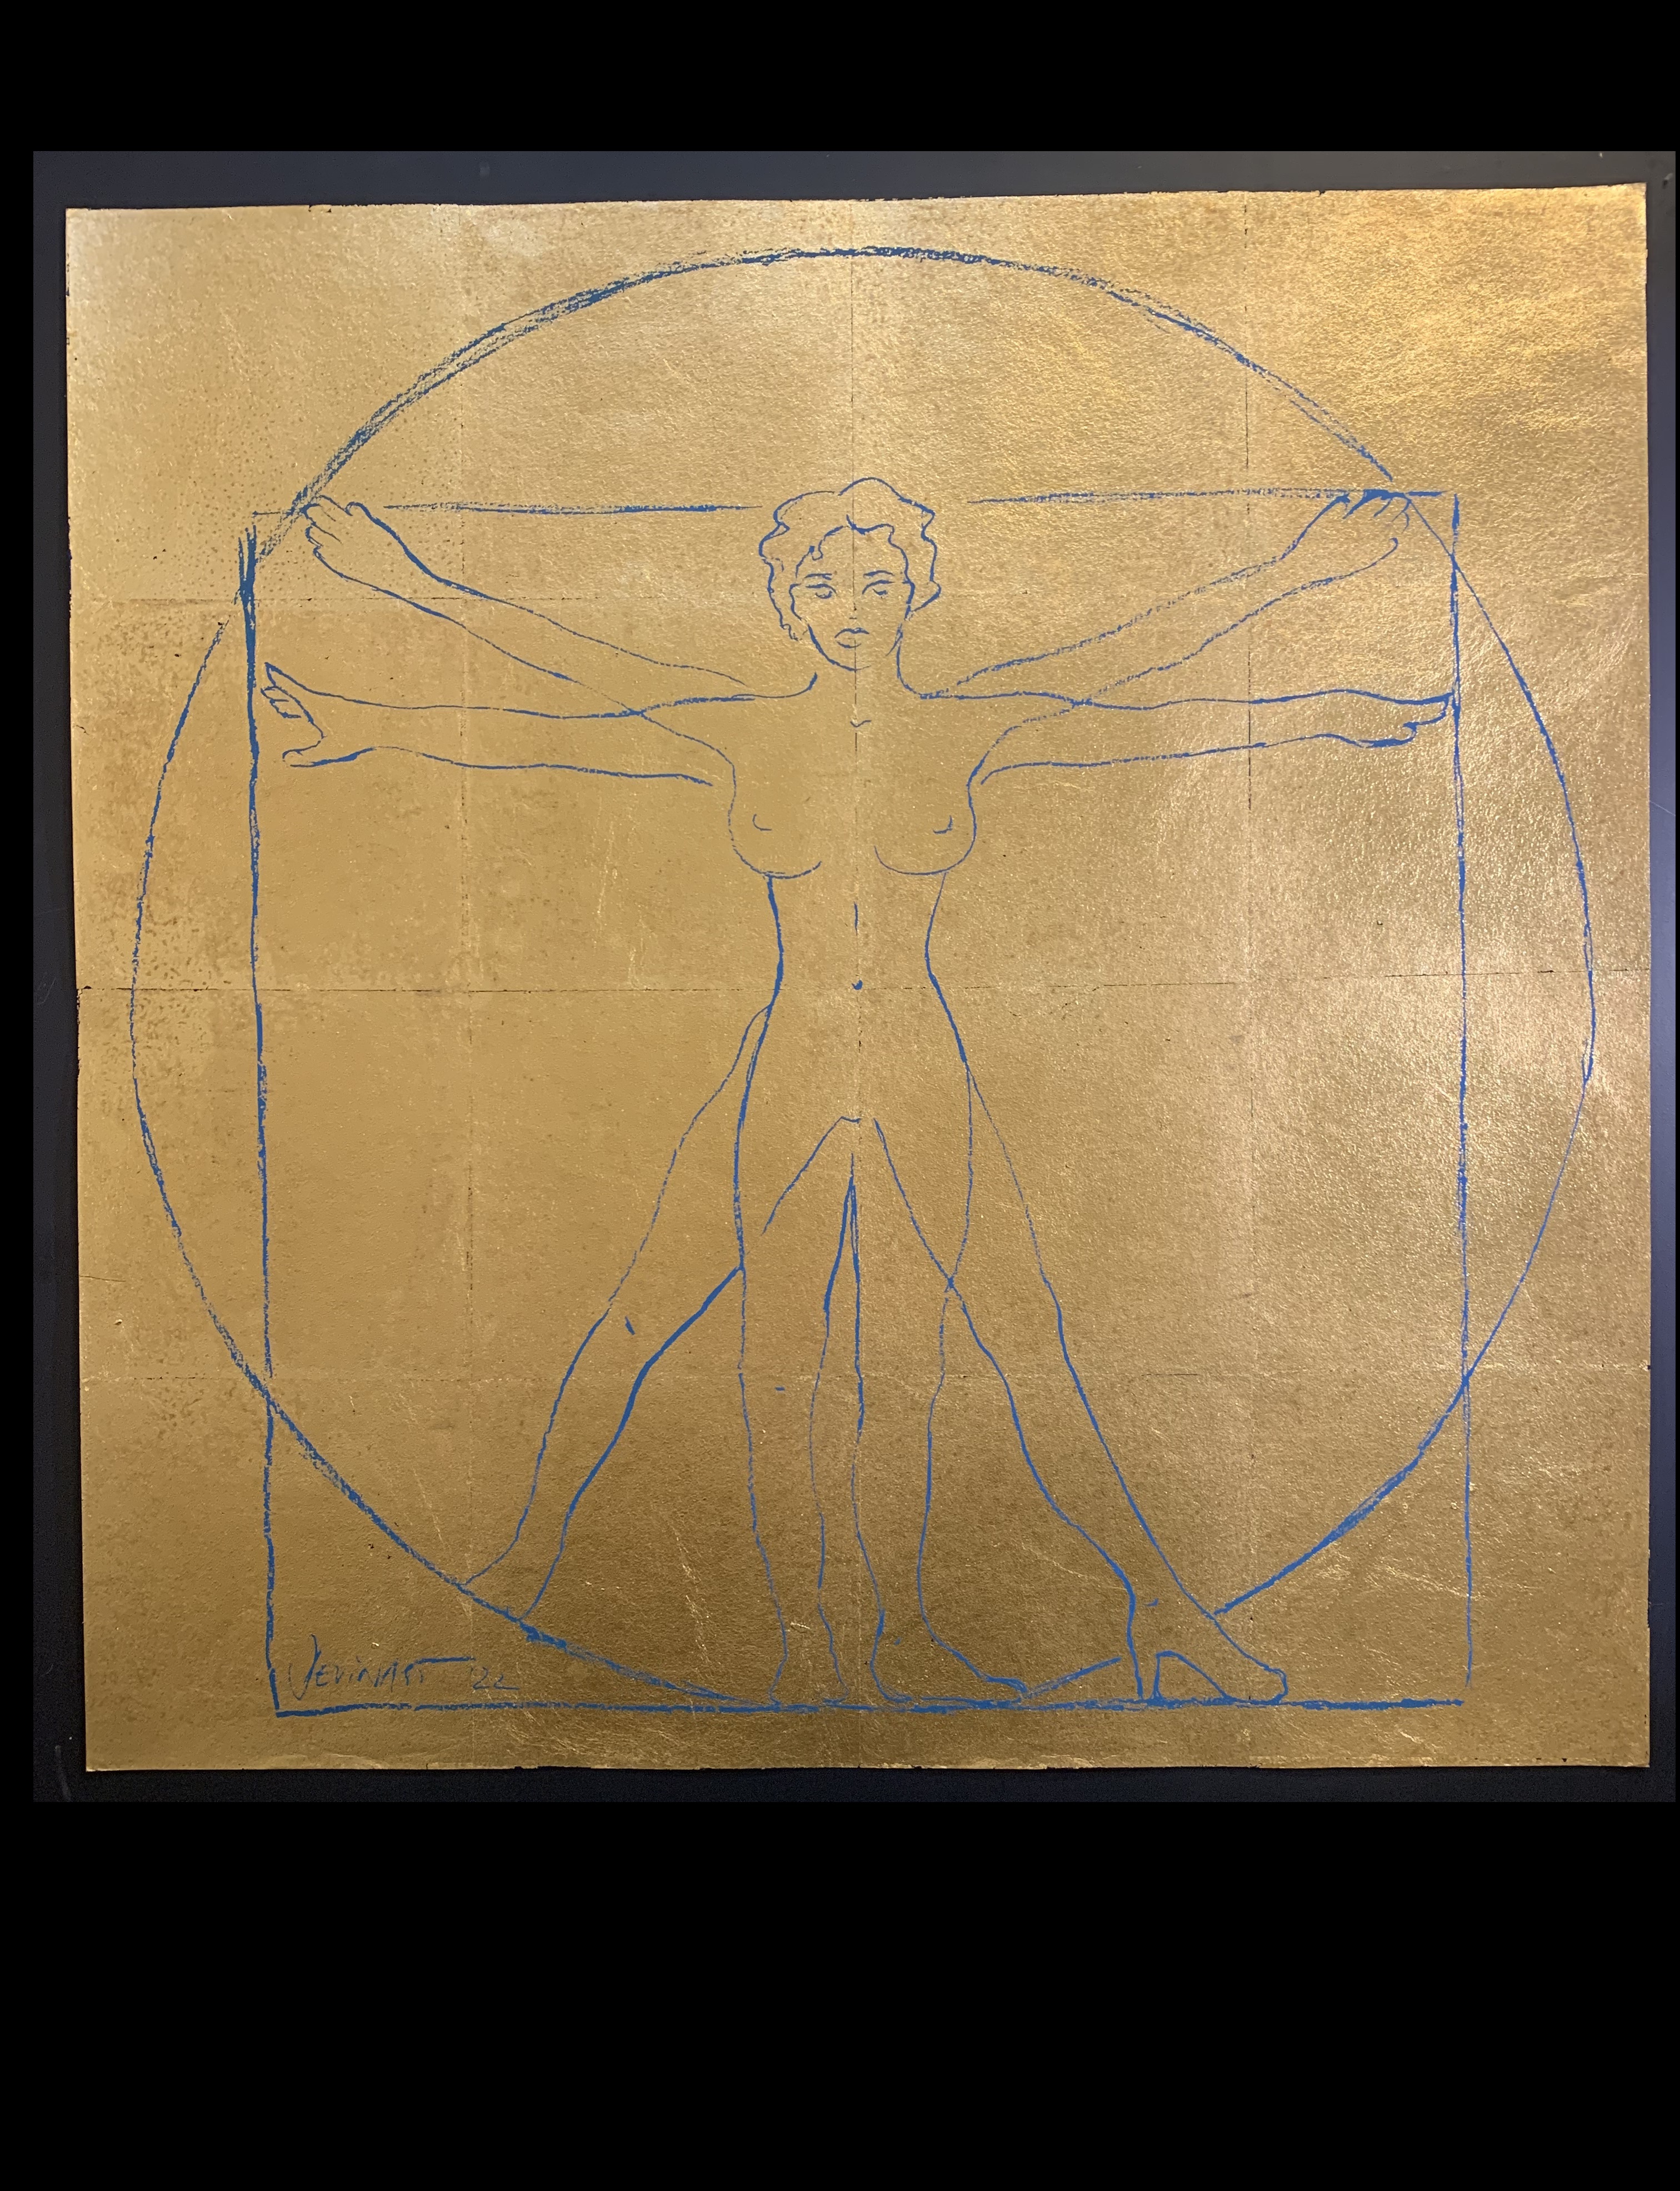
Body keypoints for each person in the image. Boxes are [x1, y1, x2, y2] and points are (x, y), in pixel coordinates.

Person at [265, 477, 1443, 1706]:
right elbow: (564, 698)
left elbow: (1142, 684)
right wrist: (383, 652)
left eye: (879, 582)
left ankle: (1134, 1610)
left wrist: (1320, 648)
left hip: (917, 1061)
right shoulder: (743, 729)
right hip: (793, 1059)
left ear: (917, 593)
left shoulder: (967, 726)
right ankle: (616, 1604)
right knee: (713, 1335)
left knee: (1014, 1340)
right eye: (823, 586)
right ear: (789, 606)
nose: (852, 607)